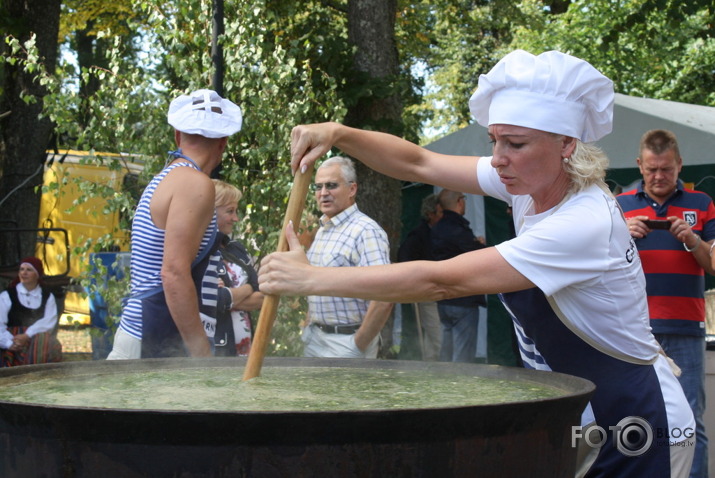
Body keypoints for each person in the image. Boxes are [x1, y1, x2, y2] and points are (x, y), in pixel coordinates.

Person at [260, 50, 696, 477]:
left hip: (638, 419)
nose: (499, 157)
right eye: (495, 141)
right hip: (584, 413)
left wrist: (311, 277)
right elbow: (419, 161)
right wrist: (338, 134)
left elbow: (440, 281)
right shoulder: (527, 183)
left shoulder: (582, 222)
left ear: (566, 143)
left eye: (516, 143)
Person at [107, 89, 243, 360]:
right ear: (223, 142)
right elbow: (173, 274)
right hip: (153, 333)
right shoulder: (194, 184)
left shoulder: (168, 177)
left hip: (141, 329)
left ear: (178, 136)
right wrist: (201, 354)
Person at [616, 129, 715, 478]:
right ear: (640, 165)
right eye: (652, 169)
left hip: (685, 327)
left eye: (667, 170)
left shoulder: (702, 203)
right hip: (634, 330)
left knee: (689, 421)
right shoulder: (621, 205)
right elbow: (596, 263)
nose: (659, 177)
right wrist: (620, 235)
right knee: (636, 419)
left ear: (679, 165)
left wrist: (692, 240)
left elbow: (714, 263)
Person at [302, 155, 393, 359]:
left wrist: (358, 343)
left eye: (331, 185)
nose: (323, 193)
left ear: (352, 189)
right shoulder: (324, 229)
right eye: (318, 187)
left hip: (347, 342)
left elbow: (385, 296)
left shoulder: (366, 231)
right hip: (315, 338)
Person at [431, 189, 486, 362]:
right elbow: (475, 258)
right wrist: (479, 246)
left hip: (442, 297)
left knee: (446, 351)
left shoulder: (436, 228)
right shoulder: (459, 229)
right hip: (463, 296)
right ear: (460, 202)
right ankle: (461, 385)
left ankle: (443, 383)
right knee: (463, 355)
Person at [212, 179, 264, 356]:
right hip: (218, 351)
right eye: (230, 211)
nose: (236, 218)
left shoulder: (237, 249)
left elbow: (262, 297)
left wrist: (230, 296)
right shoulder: (199, 253)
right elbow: (215, 300)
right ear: (210, 212)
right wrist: (248, 289)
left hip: (246, 350)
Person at [397, 193, 443, 360]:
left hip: (431, 289)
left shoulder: (431, 233)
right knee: (433, 331)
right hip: (423, 290)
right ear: (430, 214)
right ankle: (429, 361)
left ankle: (430, 360)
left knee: (434, 330)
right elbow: (404, 257)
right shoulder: (419, 235)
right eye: (439, 213)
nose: (442, 216)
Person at [0, 257, 62, 366]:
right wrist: (10, 342)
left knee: (42, 339)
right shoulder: (7, 296)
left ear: (37, 274)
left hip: (37, 339)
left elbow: (48, 322)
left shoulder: (47, 296)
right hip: (12, 338)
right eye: (21, 269)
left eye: (29, 270)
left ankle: (36, 374)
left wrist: (27, 335)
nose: (24, 273)